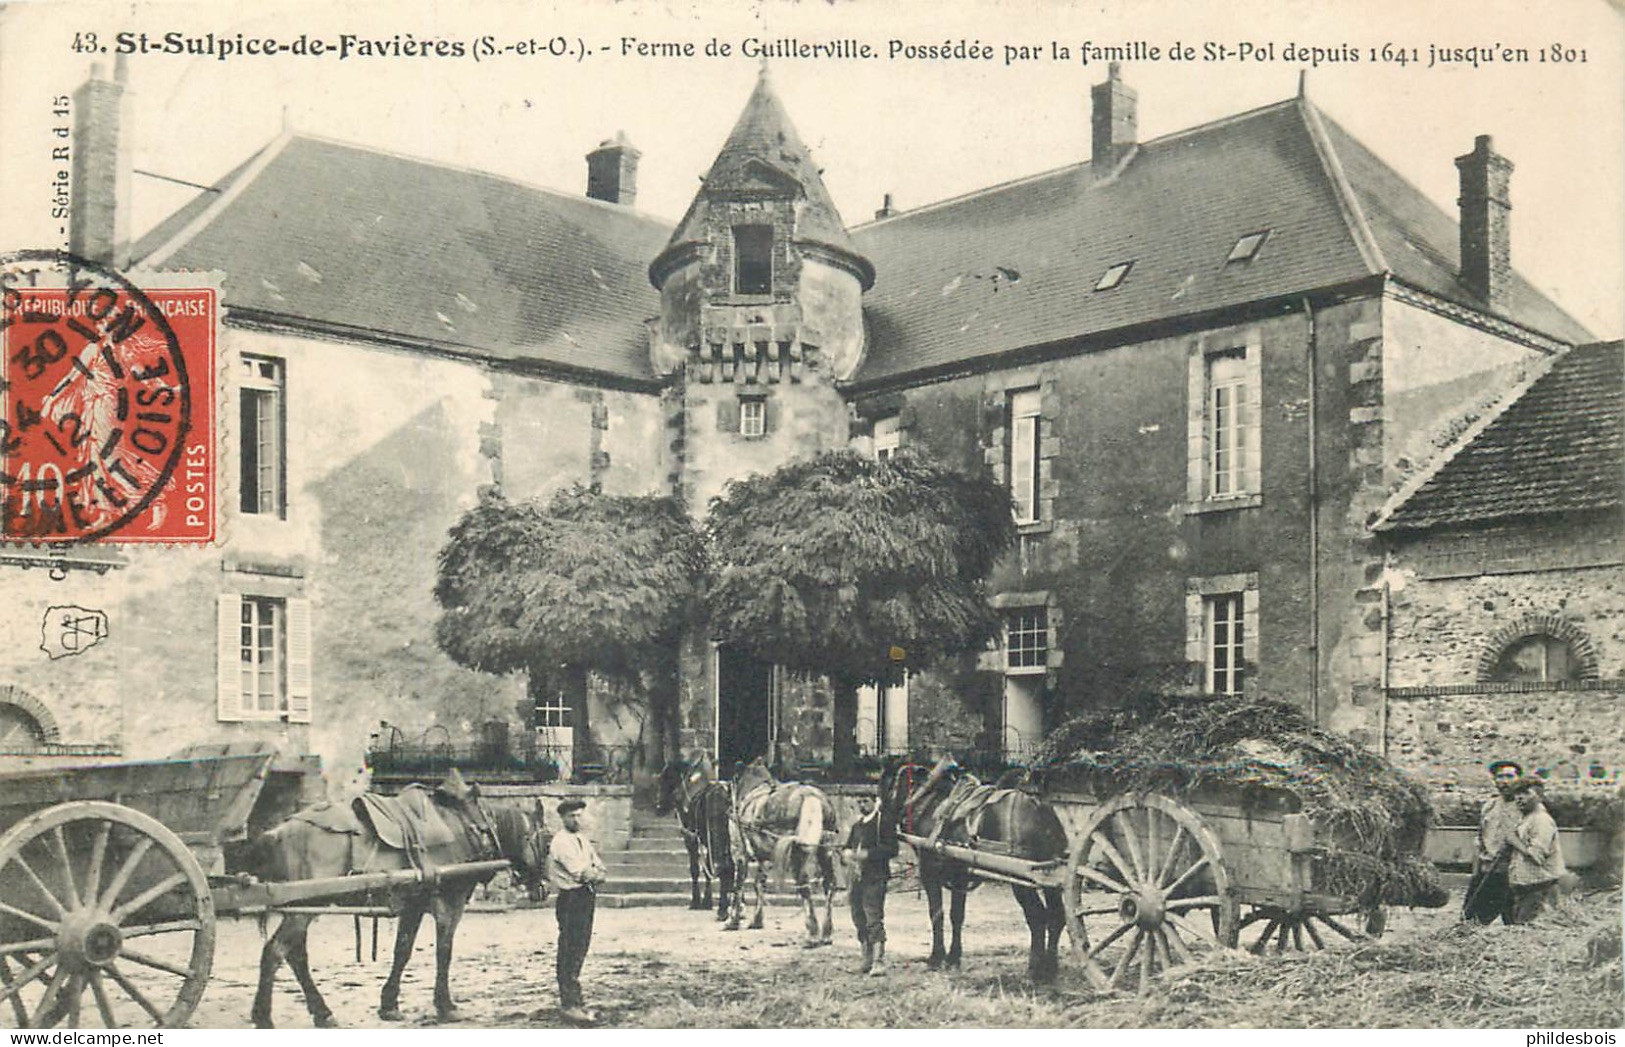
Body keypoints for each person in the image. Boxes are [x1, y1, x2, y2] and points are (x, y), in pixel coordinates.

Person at [547, 798, 607, 1024]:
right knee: (570, 948)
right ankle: (569, 1003)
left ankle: (576, 999)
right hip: (571, 898)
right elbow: (582, 873)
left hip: (586, 896)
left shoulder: (582, 839)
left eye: (579, 814)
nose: (576, 819)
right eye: (571, 815)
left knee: (581, 945)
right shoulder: (560, 842)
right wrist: (594, 873)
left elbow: (601, 868)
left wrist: (595, 873)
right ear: (562, 818)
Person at [843, 791, 898, 976]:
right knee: (858, 917)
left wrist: (867, 854)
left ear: (875, 802)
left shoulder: (883, 822)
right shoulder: (858, 825)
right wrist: (846, 853)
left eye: (865, 801)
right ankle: (865, 958)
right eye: (859, 802)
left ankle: (879, 961)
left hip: (875, 877)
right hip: (856, 877)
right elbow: (847, 846)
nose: (862, 805)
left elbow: (892, 849)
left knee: (873, 917)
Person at [1462, 759, 1522, 924]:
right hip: (1488, 870)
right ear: (1494, 781)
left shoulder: (1526, 806)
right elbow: (1481, 838)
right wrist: (1476, 869)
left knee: (1516, 924)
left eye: (1510, 776)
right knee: (1471, 920)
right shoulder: (1489, 807)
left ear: (1519, 779)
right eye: (1500, 777)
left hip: (1514, 873)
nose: (1504, 781)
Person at [1505, 778, 1566, 924]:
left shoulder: (1541, 820)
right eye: (1517, 794)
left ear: (1539, 796)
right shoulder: (1527, 819)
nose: (1519, 798)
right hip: (1526, 887)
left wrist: (1513, 840)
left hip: (1540, 888)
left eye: (1526, 793)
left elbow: (1537, 855)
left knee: (1529, 932)